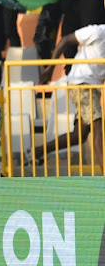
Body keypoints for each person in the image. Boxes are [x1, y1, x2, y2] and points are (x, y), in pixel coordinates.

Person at [35, 26, 105, 171]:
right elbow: (66, 39)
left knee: (80, 135)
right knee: (97, 124)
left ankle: (37, 152)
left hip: (92, 87)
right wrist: (50, 68)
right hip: (81, 83)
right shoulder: (97, 32)